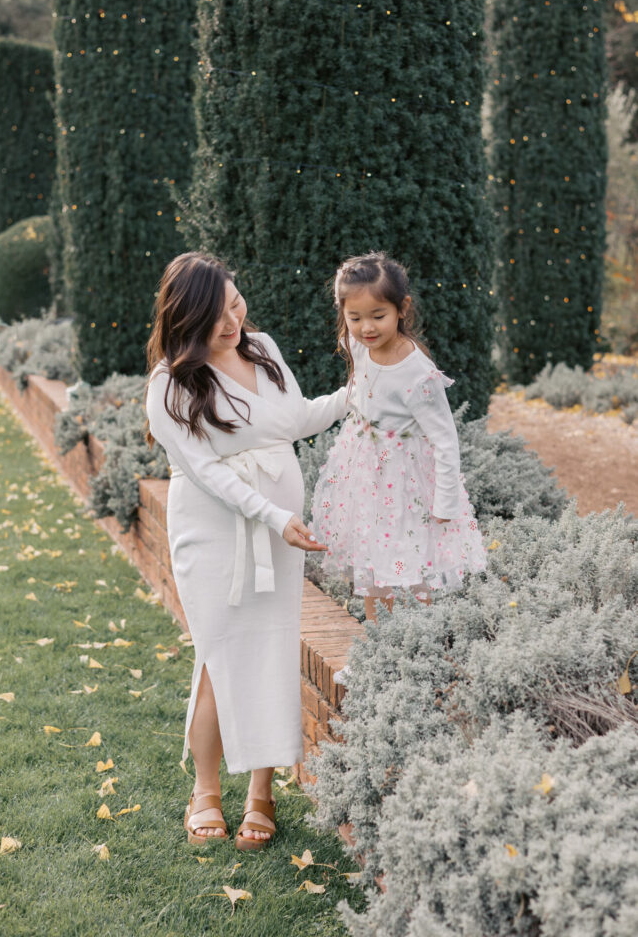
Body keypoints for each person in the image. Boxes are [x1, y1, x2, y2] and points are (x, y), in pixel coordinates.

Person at [145, 252, 347, 849]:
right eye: (216, 316)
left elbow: (299, 419)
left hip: (279, 533)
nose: (233, 322)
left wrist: (358, 392)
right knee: (220, 653)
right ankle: (206, 789)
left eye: (235, 304)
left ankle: (262, 793)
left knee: (272, 647)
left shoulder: (263, 348)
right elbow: (209, 474)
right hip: (212, 531)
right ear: (185, 319)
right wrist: (275, 516)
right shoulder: (169, 386)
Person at [311, 251, 486, 634]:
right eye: (354, 317)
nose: (366, 328)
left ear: (402, 308)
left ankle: (417, 644)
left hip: (404, 480)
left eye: (378, 316)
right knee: (372, 558)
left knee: (413, 556)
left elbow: (444, 440)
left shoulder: (417, 373)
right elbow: (360, 387)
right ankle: (377, 647)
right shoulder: (357, 343)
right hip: (365, 474)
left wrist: (446, 501)